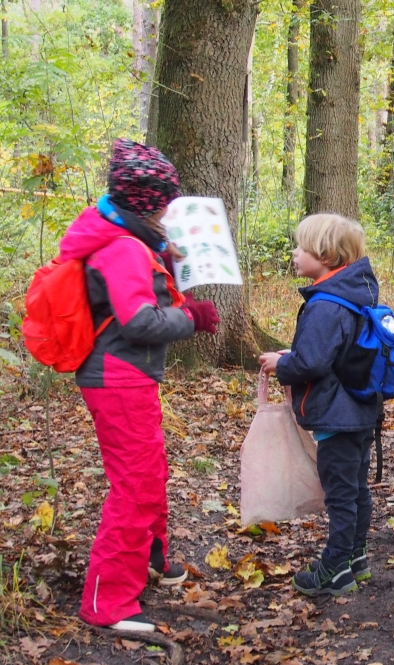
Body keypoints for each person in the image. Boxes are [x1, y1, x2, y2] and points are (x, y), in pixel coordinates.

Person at [64, 139, 220, 631]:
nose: (172, 209)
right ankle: (106, 603)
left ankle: (153, 558)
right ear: (149, 202)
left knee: (150, 472)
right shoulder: (122, 248)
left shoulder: (126, 238)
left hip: (127, 376)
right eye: (167, 201)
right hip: (117, 379)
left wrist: (169, 265)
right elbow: (139, 323)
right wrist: (190, 317)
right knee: (134, 487)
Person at [259, 214, 381, 597]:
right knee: (356, 489)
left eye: (301, 247)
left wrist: (283, 364)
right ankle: (354, 558)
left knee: (342, 495)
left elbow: (311, 363)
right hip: (360, 410)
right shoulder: (355, 293)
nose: (295, 253)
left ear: (325, 255)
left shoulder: (325, 305)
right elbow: (331, 352)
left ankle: (334, 568)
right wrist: (295, 355)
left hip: (337, 416)